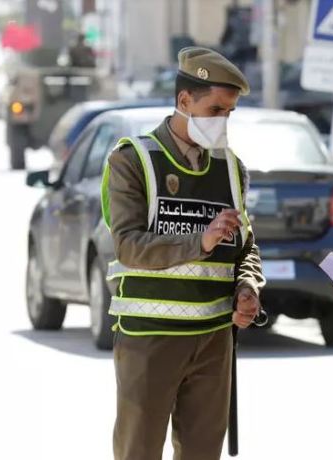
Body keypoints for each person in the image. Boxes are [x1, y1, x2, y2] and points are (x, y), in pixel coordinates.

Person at [101, 47, 265, 460]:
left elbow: (245, 247)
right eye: (215, 110)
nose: (222, 121)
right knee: (138, 450)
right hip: (149, 337)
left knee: (202, 453)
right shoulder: (131, 160)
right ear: (184, 101)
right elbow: (129, 245)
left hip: (213, 339)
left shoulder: (232, 168)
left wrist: (247, 284)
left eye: (229, 113)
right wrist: (201, 242)